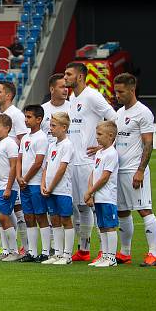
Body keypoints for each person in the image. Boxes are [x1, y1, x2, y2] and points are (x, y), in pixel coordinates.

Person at [64, 62, 117, 262]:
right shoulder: (72, 97)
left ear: (80, 76)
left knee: (95, 206)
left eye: (69, 74)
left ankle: (106, 252)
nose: (65, 77)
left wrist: (106, 145)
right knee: (80, 207)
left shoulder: (93, 96)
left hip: (88, 162)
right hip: (74, 161)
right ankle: (84, 249)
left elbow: (113, 118)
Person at [113, 73, 156, 267]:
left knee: (144, 209)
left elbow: (148, 144)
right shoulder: (119, 113)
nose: (117, 95)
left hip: (134, 170)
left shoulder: (143, 113)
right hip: (119, 170)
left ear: (132, 90)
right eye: (116, 91)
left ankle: (153, 254)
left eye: (121, 91)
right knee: (122, 212)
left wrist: (140, 170)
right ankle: (125, 253)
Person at [16, 105, 50, 262]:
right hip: (24, 183)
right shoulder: (25, 138)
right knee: (29, 217)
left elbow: (38, 163)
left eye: (29, 117)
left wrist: (26, 178)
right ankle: (32, 252)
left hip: (35, 183)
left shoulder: (42, 138)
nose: (26, 120)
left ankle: (45, 251)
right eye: (25, 116)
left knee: (41, 216)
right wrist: (18, 176)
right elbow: (20, 159)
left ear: (39, 119)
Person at [41, 112, 75, 265]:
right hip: (50, 189)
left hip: (62, 189)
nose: (51, 129)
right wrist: (43, 184)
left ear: (64, 127)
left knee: (65, 219)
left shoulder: (67, 145)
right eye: (51, 125)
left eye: (54, 126)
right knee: (54, 219)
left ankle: (67, 255)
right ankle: (58, 253)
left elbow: (62, 168)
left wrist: (51, 186)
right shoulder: (52, 145)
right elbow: (46, 166)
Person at [84, 121, 119, 267]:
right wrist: (90, 191)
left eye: (100, 134)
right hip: (98, 196)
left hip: (107, 197)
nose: (97, 137)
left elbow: (105, 177)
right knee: (102, 226)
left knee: (109, 226)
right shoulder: (99, 152)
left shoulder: (112, 153)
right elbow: (94, 172)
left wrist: (90, 191)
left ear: (110, 136)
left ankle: (111, 258)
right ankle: (104, 255)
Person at [0, 114, 21, 262]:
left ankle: (14, 251)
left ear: (7, 128)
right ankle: (6, 250)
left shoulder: (10, 143)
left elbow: (14, 166)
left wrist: (8, 187)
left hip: (6, 186)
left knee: (4, 216)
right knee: (0, 219)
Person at [41, 73, 70, 143]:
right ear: (52, 89)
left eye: (66, 87)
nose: (66, 89)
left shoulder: (73, 108)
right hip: (48, 153)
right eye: (62, 87)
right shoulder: (42, 110)